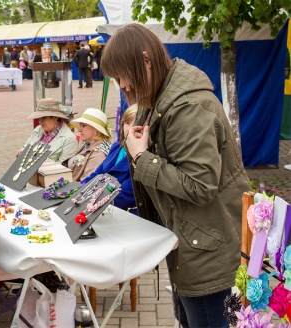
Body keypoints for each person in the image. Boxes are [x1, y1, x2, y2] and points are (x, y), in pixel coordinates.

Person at [101, 23, 252, 328]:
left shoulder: (187, 106)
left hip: (209, 251)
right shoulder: (160, 96)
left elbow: (200, 185)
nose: (122, 85)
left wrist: (142, 158)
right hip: (192, 243)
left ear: (145, 61)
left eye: (121, 76)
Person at [82, 104, 138, 213]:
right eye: (127, 123)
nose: (130, 128)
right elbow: (97, 174)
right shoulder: (117, 146)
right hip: (99, 207)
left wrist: (87, 197)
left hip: (123, 214)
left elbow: (122, 196)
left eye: (136, 123)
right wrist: (79, 190)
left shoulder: (141, 156)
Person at [17, 98, 77, 163]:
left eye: (43, 118)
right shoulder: (38, 129)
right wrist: (22, 151)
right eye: (39, 118)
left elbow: (63, 168)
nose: (40, 122)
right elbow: (26, 146)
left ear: (55, 118)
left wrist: (35, 158)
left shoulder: (69, 139)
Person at [64, 108, 111, 181]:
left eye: (84, 125)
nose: (79, 129)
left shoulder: (99, 153)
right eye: (80, 125)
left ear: (96, 129)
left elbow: (86, 183)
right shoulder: (86, 144)